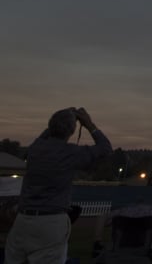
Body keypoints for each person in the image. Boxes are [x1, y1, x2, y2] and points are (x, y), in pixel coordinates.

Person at [4, 107, 112, 264]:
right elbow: (105, 149)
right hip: (51, 222)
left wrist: (59, 120)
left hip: (22, 220)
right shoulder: (70, 153)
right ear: (72, 130)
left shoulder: (35, 148)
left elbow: (44, 136)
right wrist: (89, 124)